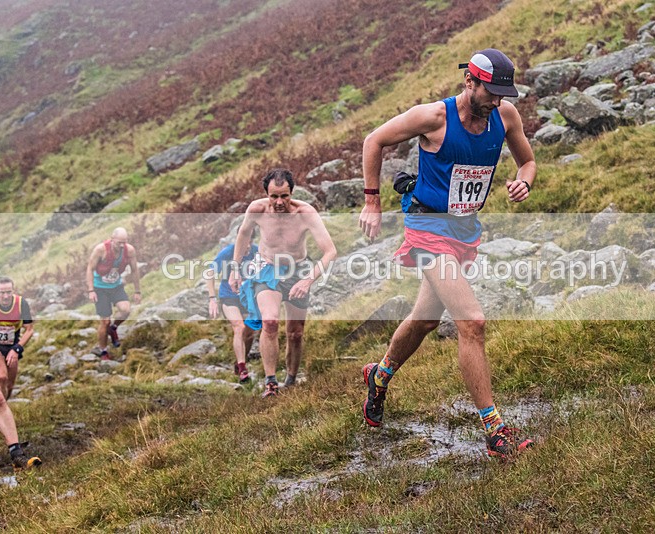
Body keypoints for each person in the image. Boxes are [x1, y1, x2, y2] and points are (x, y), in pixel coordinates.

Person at [358, 49, 538, 458]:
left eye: (502, 94)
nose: (497, 101)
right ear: (469, 82)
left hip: (463, 231)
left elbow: (527, 162)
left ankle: (380, 375)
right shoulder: (434, 117)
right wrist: (372, 201)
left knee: (423, 321)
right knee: (472, 322)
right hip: (426, 228)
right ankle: (496, 432)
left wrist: (523, 181)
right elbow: (375, 140)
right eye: (491, 92)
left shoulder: (506, 116)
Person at [230, 169, 337, 398]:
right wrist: (235, 269)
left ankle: (290, 379)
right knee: (269, 322)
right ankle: (271, 383)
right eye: (274, 196)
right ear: (266, 194)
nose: (279, 202)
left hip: (298, 270)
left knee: (295, 333)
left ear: (292, 192)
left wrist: (307, 281)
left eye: (284, 196)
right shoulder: (257, 209)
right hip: (267, 270)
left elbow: (330, 252)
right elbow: (243, 235)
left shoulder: (305, 213)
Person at [0, 277, 41, 469]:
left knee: (8, 387)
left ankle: (15, 452)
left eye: (8, 292)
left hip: (11, 347)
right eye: (2, 292)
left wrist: (17, 348)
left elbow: (29, 329)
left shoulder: (21, 304)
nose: (5, 296)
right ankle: (17, 454)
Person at [206, 240, 259, 383]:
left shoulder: (257, 251)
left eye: (249, 243)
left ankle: (240, 360)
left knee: (249, 333)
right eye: (243, 242)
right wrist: (212, 298)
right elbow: (210, 273)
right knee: (238, 326)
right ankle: (242, 368)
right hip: (228, 296)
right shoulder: (227, 252)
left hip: (248, 298)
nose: (246, 247)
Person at [85, 227, 141, 360]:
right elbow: (90, 268)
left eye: (124, 242)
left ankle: (114, 328)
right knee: (104, 322)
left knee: (126, 310)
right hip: (100, 289)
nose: (122, 245)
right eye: (119, 243)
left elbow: (134, 270)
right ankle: (103, 350)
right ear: (112, 239)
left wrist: (137, 291)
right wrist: (91, 290)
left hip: (116, 286)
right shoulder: (101, 249)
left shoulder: (129, 250)